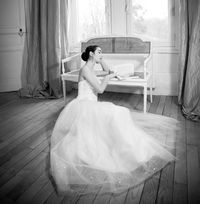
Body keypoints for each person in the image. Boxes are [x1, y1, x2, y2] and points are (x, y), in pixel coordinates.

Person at [50, 45, 178, 195]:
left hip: (92, 105)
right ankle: (128, 148)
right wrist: (107, 78)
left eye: (102, 52)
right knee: (119, 112)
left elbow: (108, 70)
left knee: (120, 114)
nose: (101, 54)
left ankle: (128, 145)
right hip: (85, 105)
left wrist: (101, 60)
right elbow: (100, 90)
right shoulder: (85, 69)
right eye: (99, 52)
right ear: (91, 54)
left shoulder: (91, 68)